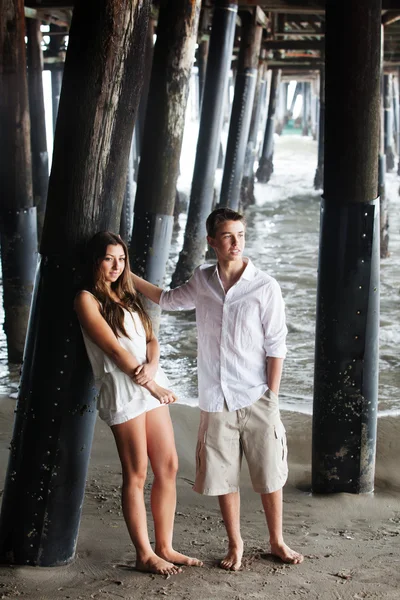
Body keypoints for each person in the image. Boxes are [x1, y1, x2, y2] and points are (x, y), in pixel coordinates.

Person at [131, 207, 304, 571]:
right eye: (227, 236)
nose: (236, 242)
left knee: (269, 474)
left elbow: (277, 346)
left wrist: (271, 396)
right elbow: (166, 299)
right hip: (215, 398)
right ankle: (236, 544)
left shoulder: (265, 286)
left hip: (257, 396)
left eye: (240, 235)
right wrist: (126, 277)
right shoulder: (202, 280)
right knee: (224, 477)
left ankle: (277, 541)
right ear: (212, 241)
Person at [74, 231, 202, 576]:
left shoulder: (127, 295)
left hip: (148, 381)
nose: (116, 266)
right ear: (95, 261)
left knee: (169, 466)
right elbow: (115, 351)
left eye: (120, 259)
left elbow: (150, 339)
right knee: (137, 472)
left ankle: (165, 546)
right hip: (123, 387)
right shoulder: (87, 299)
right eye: (108, 259)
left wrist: (153, 369)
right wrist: (151, 384)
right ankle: (143, 554)